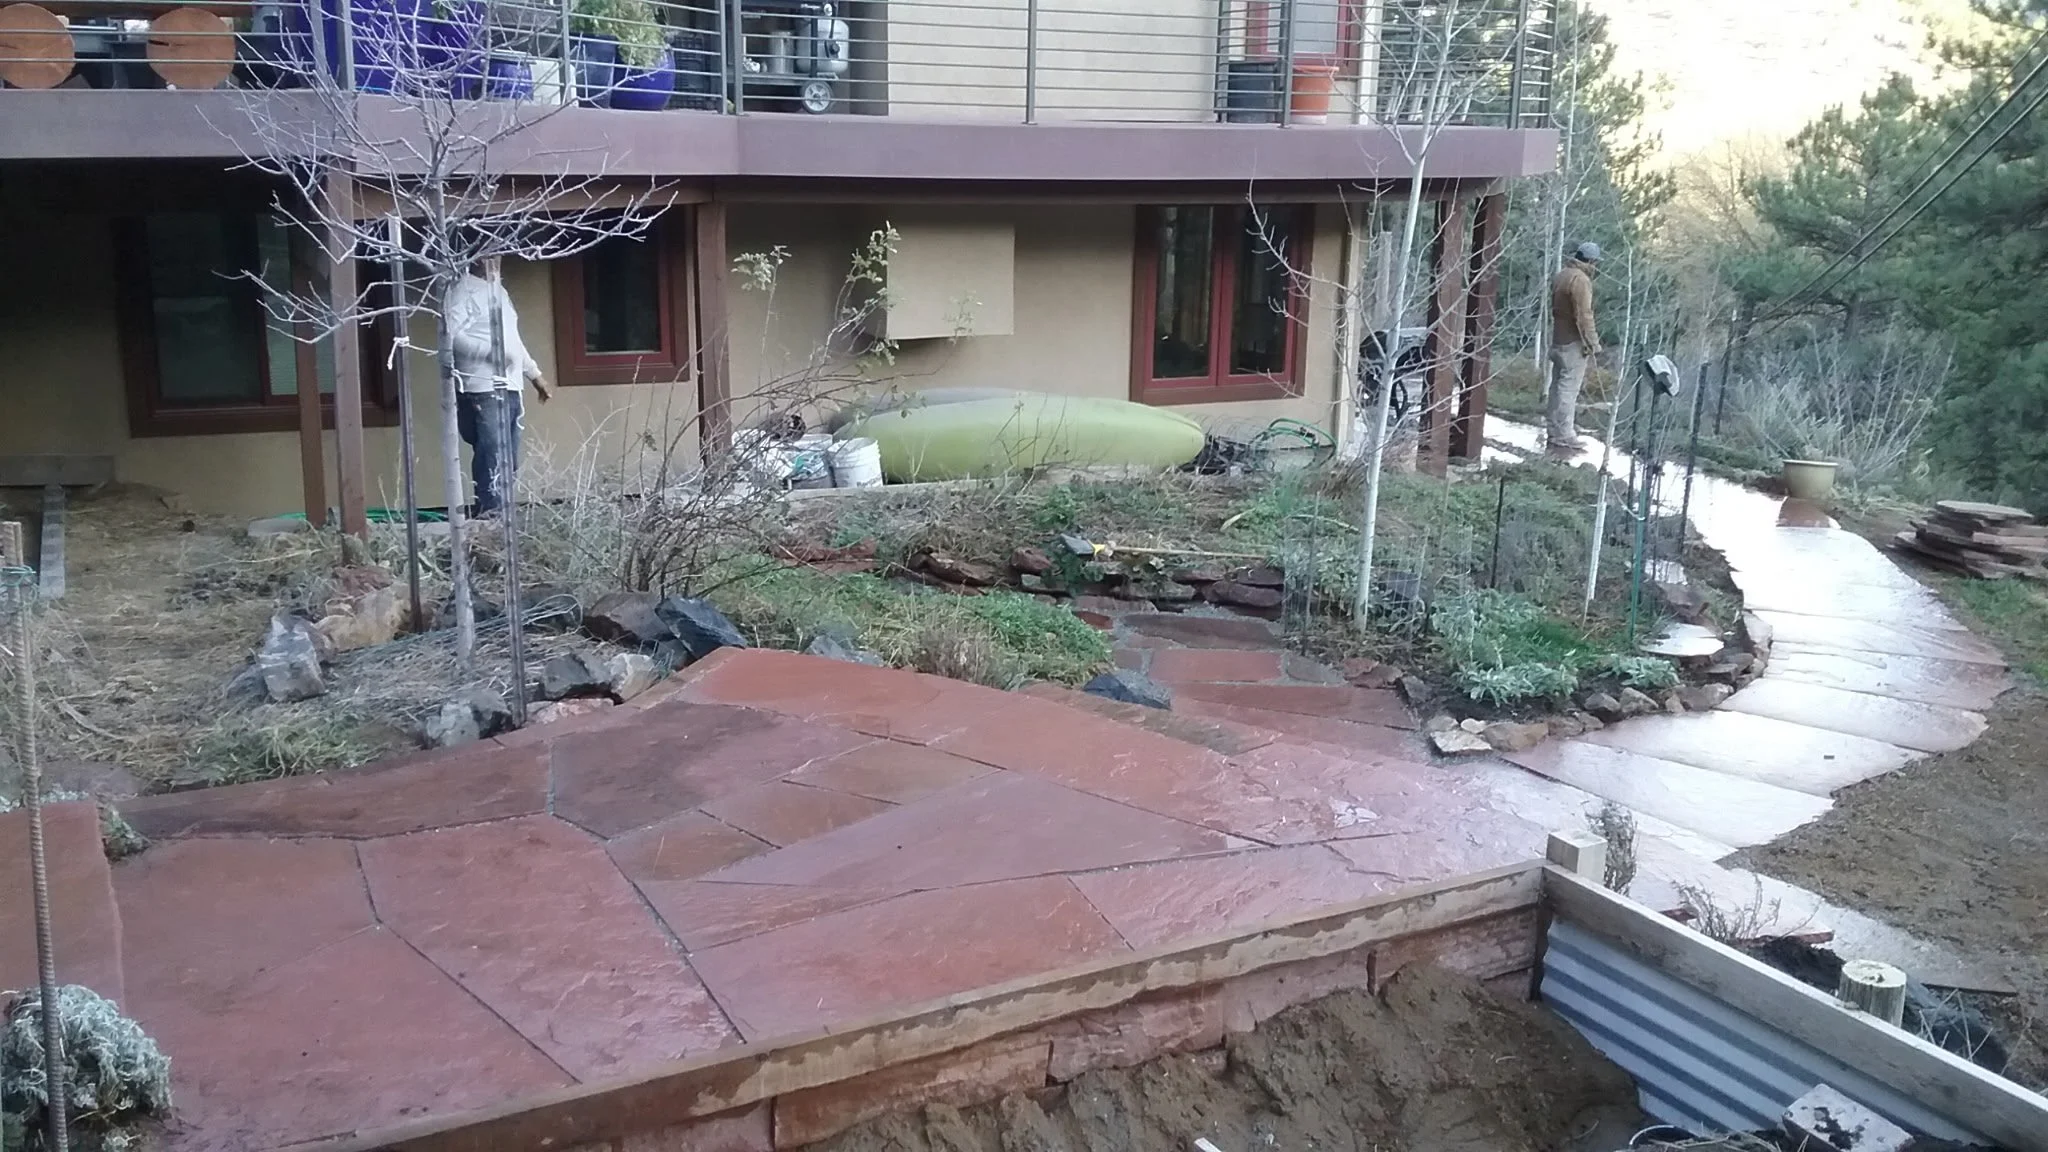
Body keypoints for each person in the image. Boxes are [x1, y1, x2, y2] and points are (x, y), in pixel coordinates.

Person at [445, 256, 550, 515]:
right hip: (483, 387)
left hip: (511, 386)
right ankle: (490, 513)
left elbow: (513, 339)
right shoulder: (463, 290)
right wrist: (490, 353)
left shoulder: (499, 291)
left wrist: (535, 376)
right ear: (477, 259)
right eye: (490, 257)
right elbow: (449, 334)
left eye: (498, 257)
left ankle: (503, 513)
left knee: (510, 457)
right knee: (491, 452)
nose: (496, 263)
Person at [1546, 241, 1602, 454]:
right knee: (1568, 389)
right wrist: (1593, 343)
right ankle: (1565, 434)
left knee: (1556, 387)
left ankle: (1554, 428)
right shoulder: (1581, 280)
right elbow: (1584, 315)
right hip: (1573, 344)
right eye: (1595, 263)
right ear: (1591, 261)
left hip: (1558, 339)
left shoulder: (1562, 275)